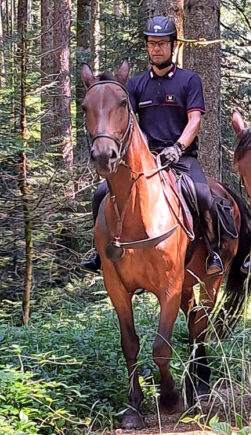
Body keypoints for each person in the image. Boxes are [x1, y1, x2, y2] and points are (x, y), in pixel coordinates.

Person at [81, 16, 225, 275]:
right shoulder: (135, 84)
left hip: (181, 157)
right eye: (151, 43)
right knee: (100, 194)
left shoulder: (189, 80)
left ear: (173, 46)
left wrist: (178, 147)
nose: (156, 48)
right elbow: (127, 121)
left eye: (162, 43)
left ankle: (213, 252)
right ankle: (98, 253)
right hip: (144, 160)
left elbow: (194, 120)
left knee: (204, 195)